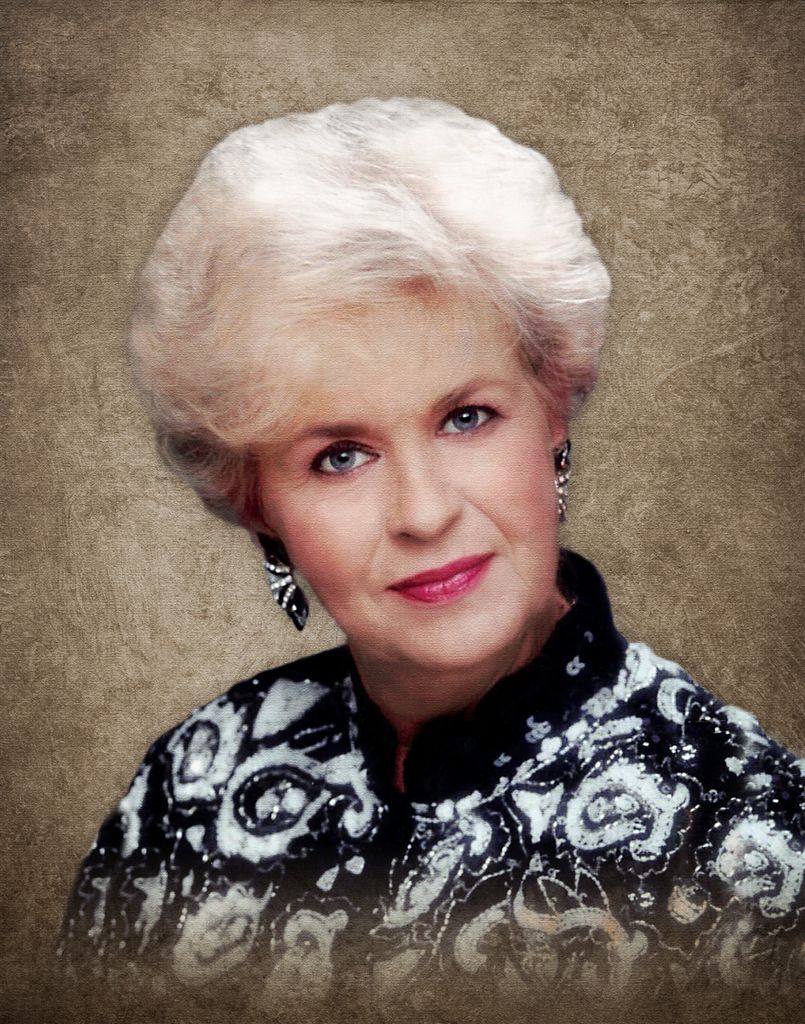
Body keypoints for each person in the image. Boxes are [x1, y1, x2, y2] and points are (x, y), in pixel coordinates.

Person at [56, 97, 804, 1015]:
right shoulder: (194, 782)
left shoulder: (745, 832)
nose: (423, 512)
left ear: (553, 410)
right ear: (256, 505)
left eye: (466, 417)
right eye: (340, 456)